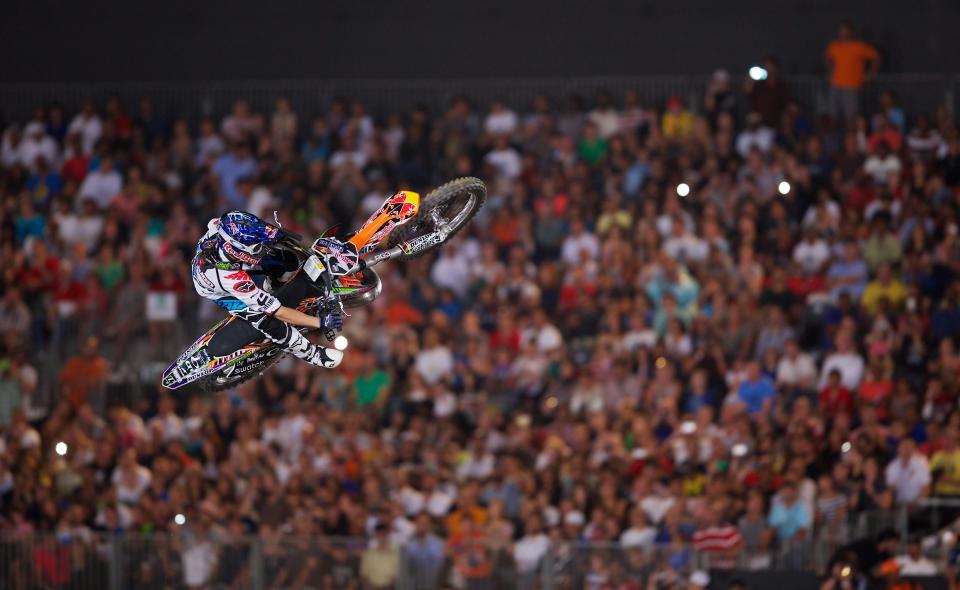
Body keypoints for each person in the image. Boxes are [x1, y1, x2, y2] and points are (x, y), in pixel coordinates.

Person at [191, 210, 346, 368]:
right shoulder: (233, 280)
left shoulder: (222, 227)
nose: (263, 248)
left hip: (223, 265)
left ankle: (271, 285)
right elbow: (279, 312)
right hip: (219, 289)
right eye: (258, 247)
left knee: (285, 261)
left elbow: (260, 228)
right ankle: (312, 354)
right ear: (237, 251)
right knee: (268, 321)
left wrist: (279, 234)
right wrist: (320, 322)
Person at [824, 22, 880, 122]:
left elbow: (875, 57)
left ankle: (851, 136)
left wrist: (871, 74)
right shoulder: (834, 46)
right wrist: (830, 72)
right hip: (835, 84)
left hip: (851, 85)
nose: (843, 34)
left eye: (845, 31)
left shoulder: (859, 46)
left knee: (851, 117)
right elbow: (828, 58)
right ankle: (832, 136)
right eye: (841, 31)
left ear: (851, 33)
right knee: (832, 115)